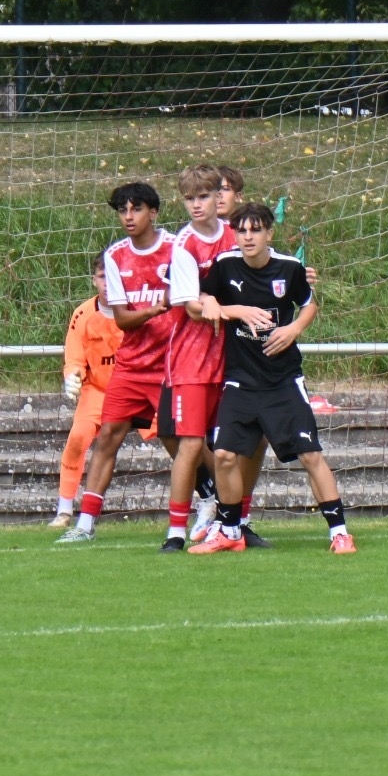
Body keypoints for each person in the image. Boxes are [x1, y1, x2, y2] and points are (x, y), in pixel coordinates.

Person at [191, 201, 356, 554]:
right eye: (241, 231)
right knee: (223, 454)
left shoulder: (289, 268)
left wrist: (293, 329)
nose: (248, 237)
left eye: (256, 230)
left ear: (270, 232)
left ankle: (340, 533)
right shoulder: (225, 265)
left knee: (310, 454)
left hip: (282, 381)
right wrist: (224, 306)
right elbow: (202, 298)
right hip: (240, 380)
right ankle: (230, 532)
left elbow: (309, 304)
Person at [58, 183, 179, 544]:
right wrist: (155, 309)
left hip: (170, 365)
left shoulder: (177, 248)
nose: (128, 216)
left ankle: (211, 507)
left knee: (179, 441)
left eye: (136, 209)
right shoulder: (115, 256)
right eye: (122, 210)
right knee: (105, 436)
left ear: (153, 212)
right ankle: (82, 523)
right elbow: (123, 320)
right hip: (129, 367)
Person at [159, 165, 238, 552]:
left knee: (232, 445)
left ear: (218, 196)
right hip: (192, 356)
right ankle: (176, 531)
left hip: (233, 353)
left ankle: (234, 523)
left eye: (203, 196)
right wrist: (213, 303)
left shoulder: (235, 235)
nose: (196, 204)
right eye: (189, 198)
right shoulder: (184, 245)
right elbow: (191, 306)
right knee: (190, 444)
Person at [52, 259, 155, 528]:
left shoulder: (138, 309)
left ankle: (208, 500)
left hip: (139, 387)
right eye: (102, 277)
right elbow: (74, 359)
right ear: (93, 280)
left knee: (178, 437)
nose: (108, 284)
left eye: (114, 278)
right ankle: (64, 510)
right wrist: (72, 376)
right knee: (78, 437)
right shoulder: (82, 314)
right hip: (98, 390)